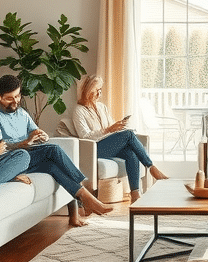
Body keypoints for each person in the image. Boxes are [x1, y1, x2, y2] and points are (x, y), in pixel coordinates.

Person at [0, 75, 113, 225]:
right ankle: (87, 192)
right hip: (13, 160)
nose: (16, 101)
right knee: (53, 150)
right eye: (10, 98)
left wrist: (40, 135)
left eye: (18, 96)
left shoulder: (22, 113)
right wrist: (23, 142)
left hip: (30, 155)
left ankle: (81, 206)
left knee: (52, 166)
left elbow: (34, 131)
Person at [70, 75, 168, 203]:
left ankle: (135, 194)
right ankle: (151, 167)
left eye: (100, 89)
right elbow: (85, 136)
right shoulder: (79, 111)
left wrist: (117, 127)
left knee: (130, 152)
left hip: (107, 145)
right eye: (96, 90)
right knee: (128, 135)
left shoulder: (102, 107)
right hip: (94, 149)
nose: (99, 93)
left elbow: (110, 129)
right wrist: (108, 130)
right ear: (87, 91)